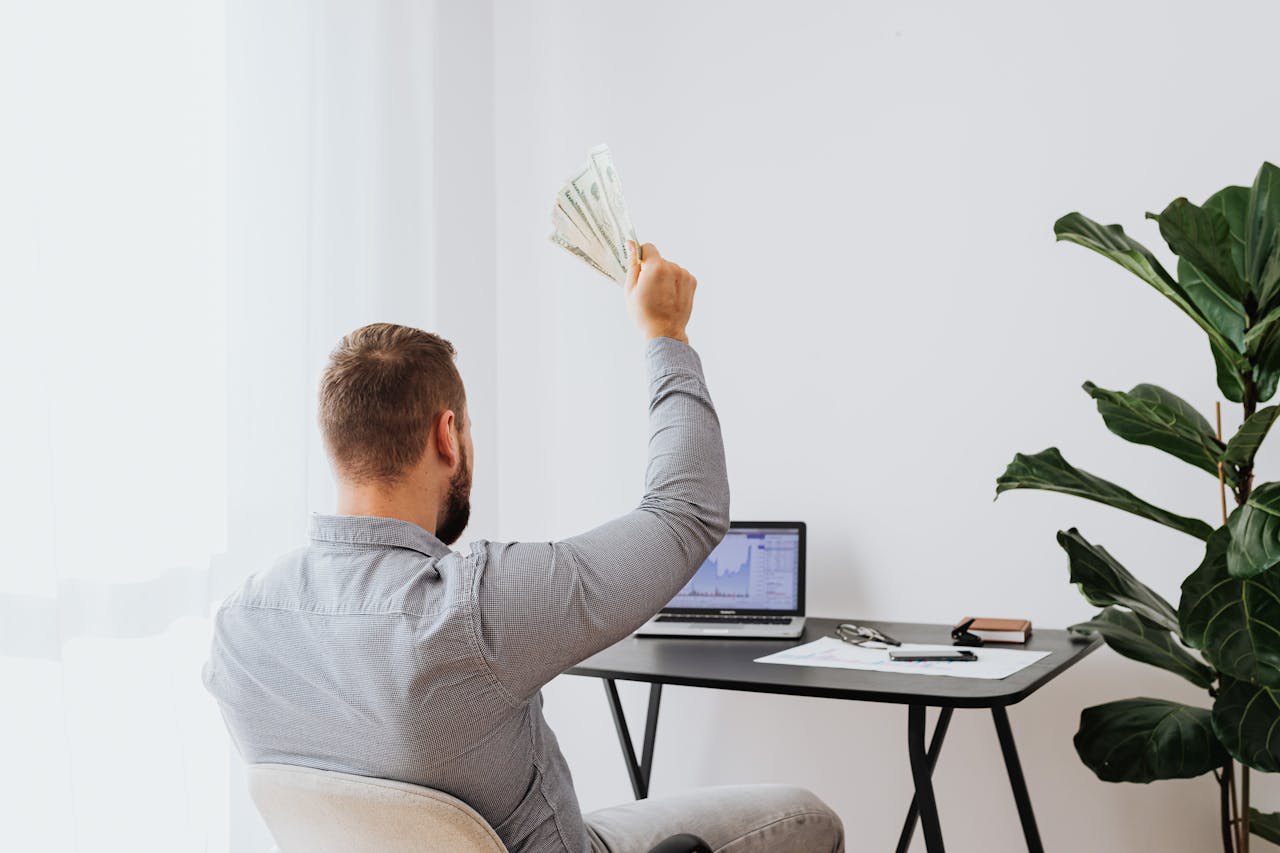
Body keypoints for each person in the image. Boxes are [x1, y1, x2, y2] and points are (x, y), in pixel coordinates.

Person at [204, 241, 844, 853]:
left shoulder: (239, 627)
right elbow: (686, 513)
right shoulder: (474, 611)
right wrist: (666, 332)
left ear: (338, 447)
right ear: (448, 435)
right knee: (809, 816)